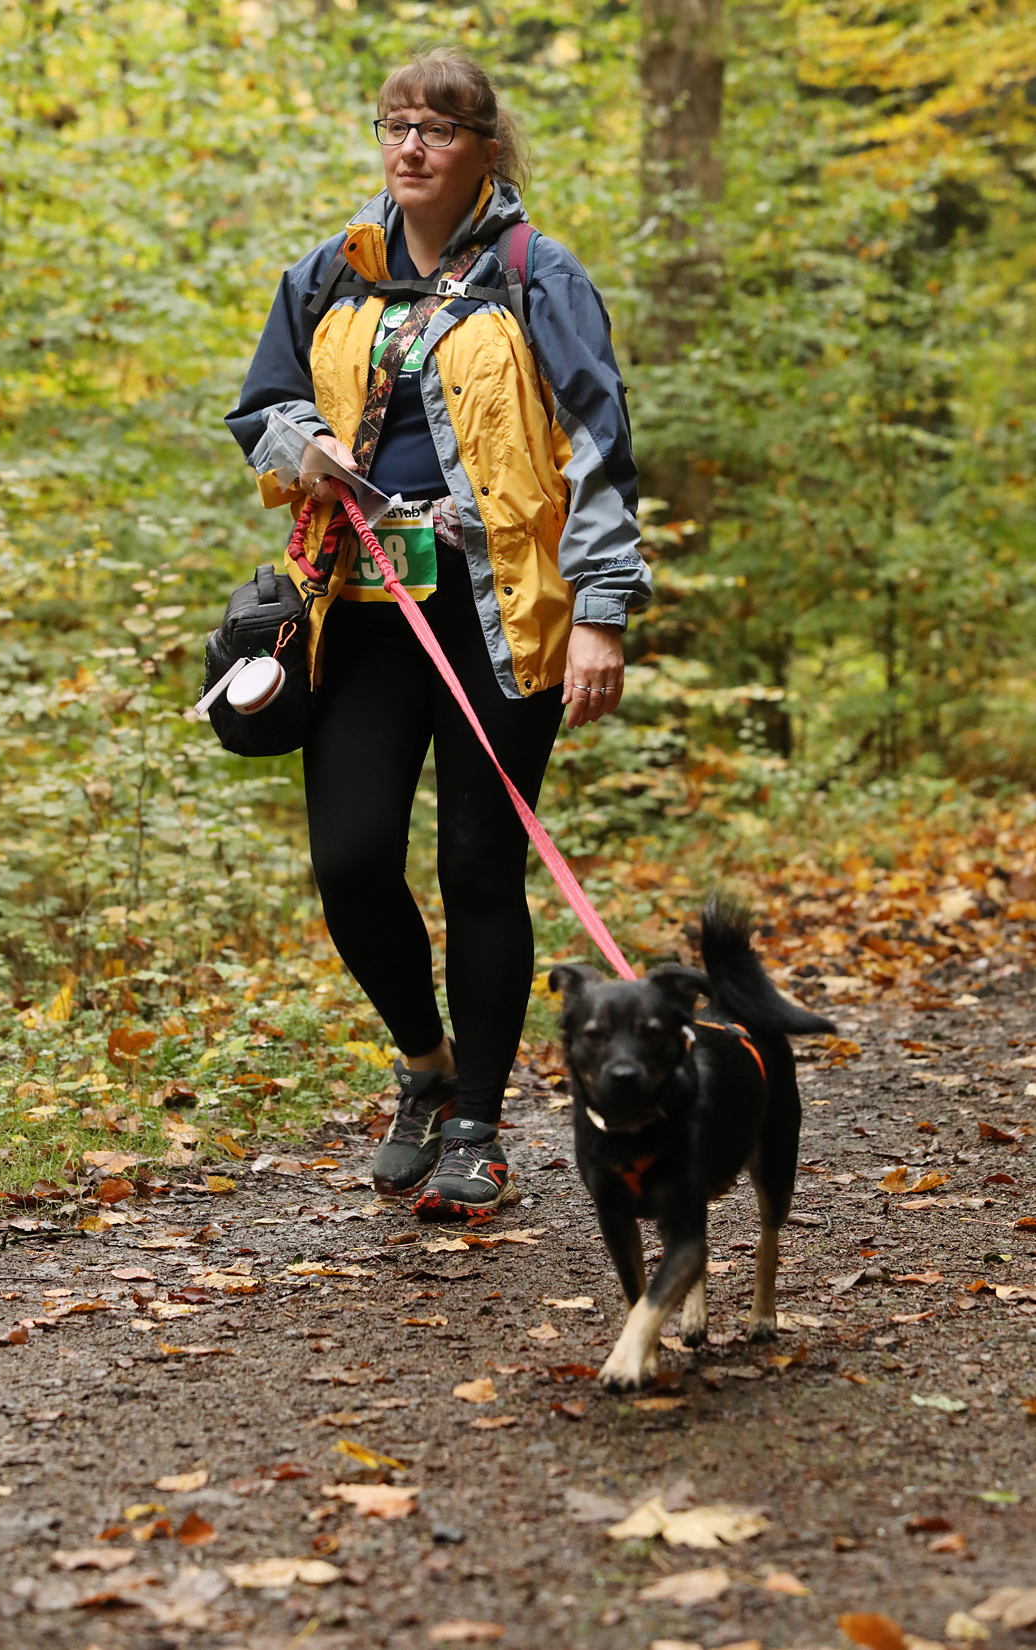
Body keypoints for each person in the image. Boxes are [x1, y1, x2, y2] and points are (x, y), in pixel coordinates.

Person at [226, 48, 650, 1220]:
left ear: (484, 148)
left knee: (476, 865)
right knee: (351, 859)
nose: (410, 146)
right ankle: (425, 1064)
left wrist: (599, 615)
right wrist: (304, 445)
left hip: (495, 613)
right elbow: (259, 409)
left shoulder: (535, 275)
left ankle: (475, 1125)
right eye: (394, 125)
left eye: (438, 128)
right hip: (358, 613)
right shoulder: (330, 270)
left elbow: (598, 448)